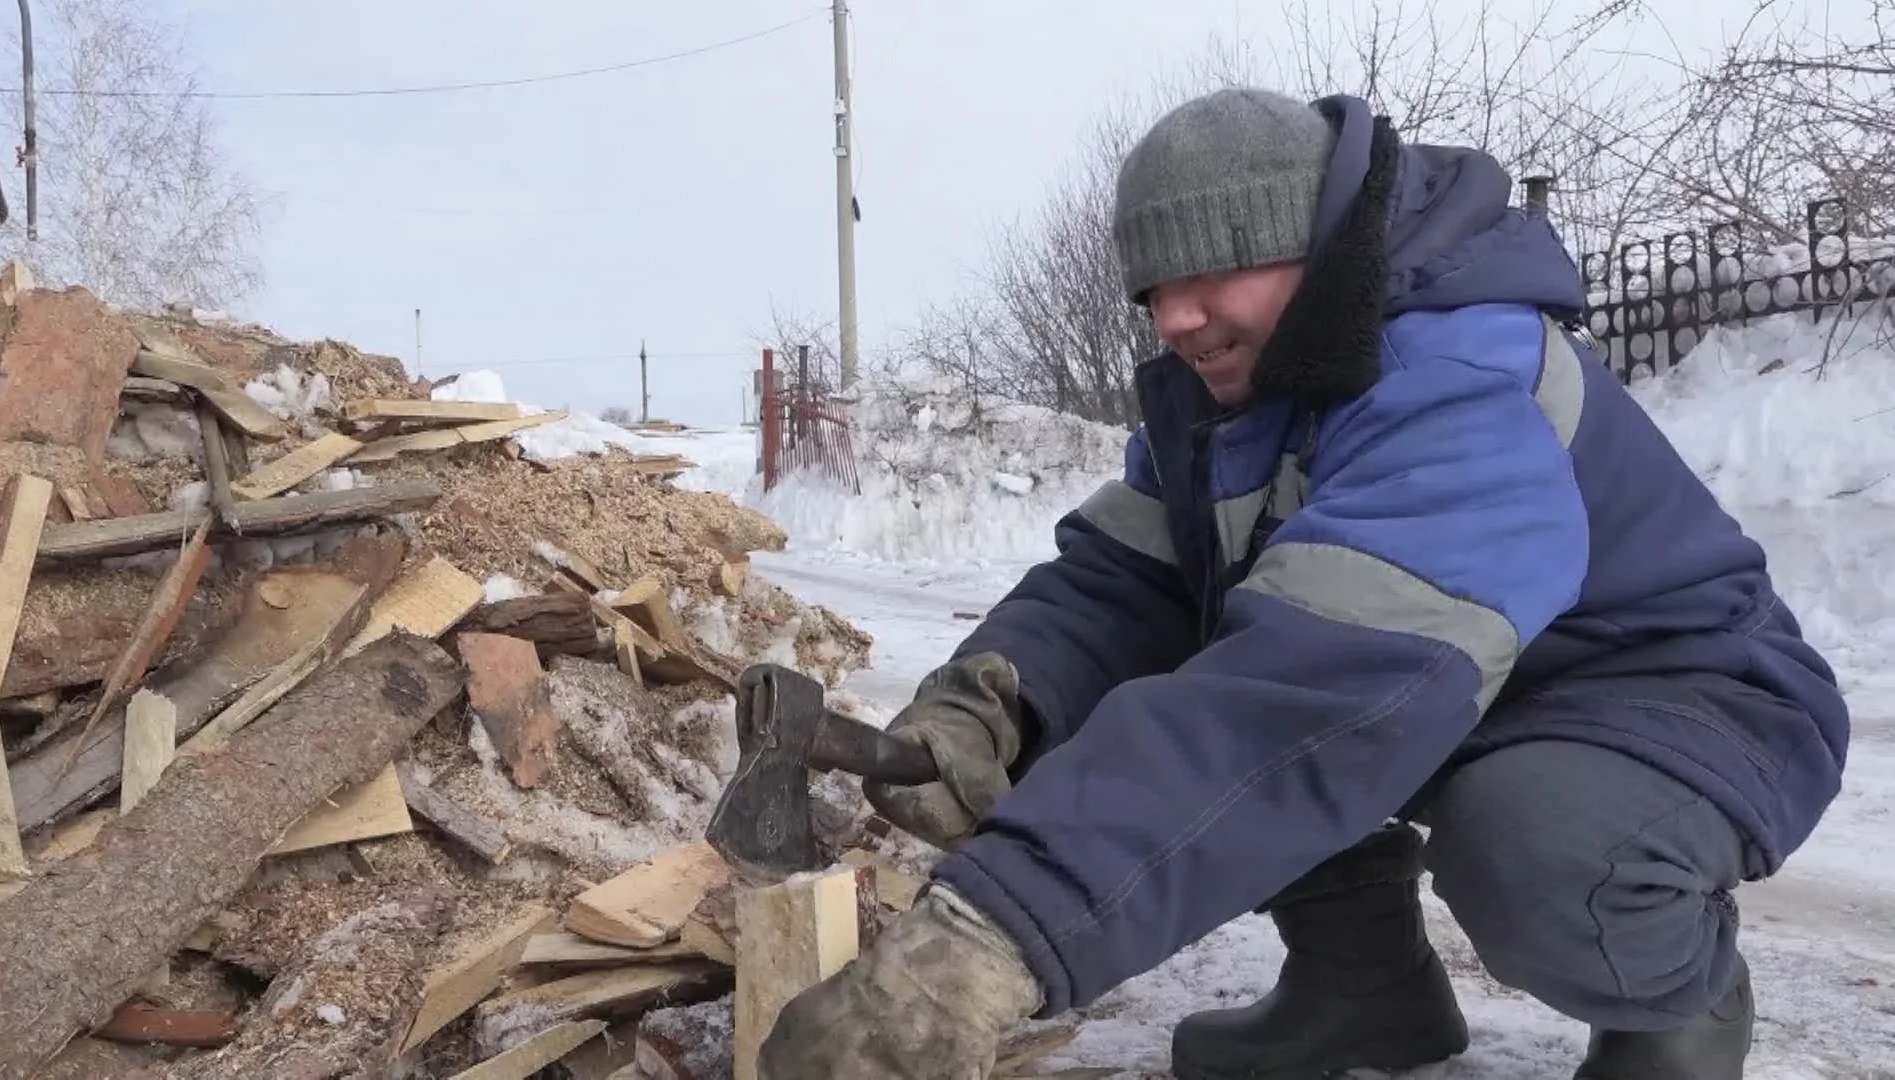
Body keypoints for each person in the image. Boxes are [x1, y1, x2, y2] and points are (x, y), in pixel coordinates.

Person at [756, 87, 1850, 1080]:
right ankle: (1366, 994)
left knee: (1520, 842)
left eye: (1214, 265)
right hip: (1469, 696)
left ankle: (1680, 1004)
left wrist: (995, 940)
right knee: (1208, 664)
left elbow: (1312, 698)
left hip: (1676, 705)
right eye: (1153, 286)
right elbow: (1119, 592)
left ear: (1320, 248)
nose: (1174, 318)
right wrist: (996, 698)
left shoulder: (1457, 382)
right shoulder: (1238, 409)